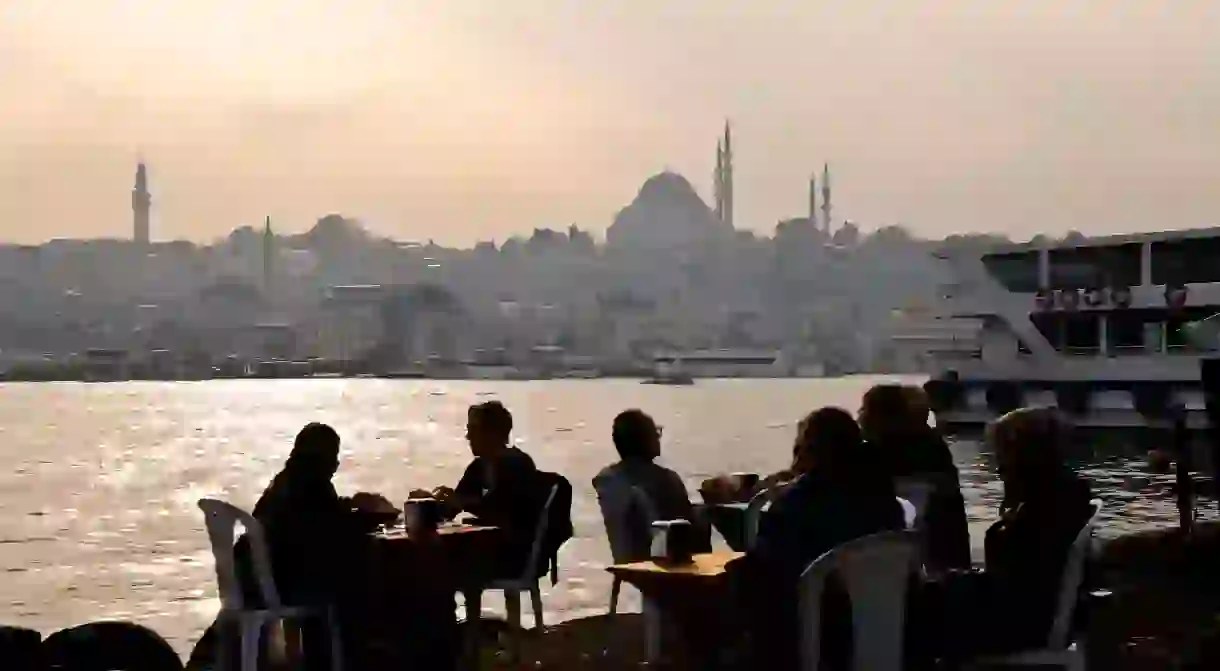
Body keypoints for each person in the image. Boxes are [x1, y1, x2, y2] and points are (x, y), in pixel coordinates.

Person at [732, 407, 908, 670]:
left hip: (816, 628)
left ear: (808, 449)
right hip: (886, 623)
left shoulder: (796, 505)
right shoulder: (882, 494)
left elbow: (770, 566)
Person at [925, 406, 1095, 662]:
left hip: (1023, 623)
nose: (996, 465)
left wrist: (949, 583)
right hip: (1042, 613)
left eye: (999, 454)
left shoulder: (1043, 507)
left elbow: (1017, 578)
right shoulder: (1062, 491)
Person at [860, 383, 972, 571]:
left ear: (877, 417)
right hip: (938, 562)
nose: (859, 417)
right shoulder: (936, 453)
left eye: (863, 410)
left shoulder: (863, 460)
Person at [427, 401, 541, 579]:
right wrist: (427, 503)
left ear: (493, 434)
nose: (467, 436)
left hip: (515, 556)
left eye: (473, 430)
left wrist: (461, 502)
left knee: (437, 563)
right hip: (489, 550)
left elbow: (500, 510)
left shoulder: (517, 464)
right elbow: (451, 510)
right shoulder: (478, 467)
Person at [593, 409, 707, 559]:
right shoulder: (666, 479)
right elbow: (685, 525)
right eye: (655, 433)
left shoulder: (607, 479)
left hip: (626, 562)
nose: (658, 438)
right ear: (644, 440)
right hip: (666, 565)